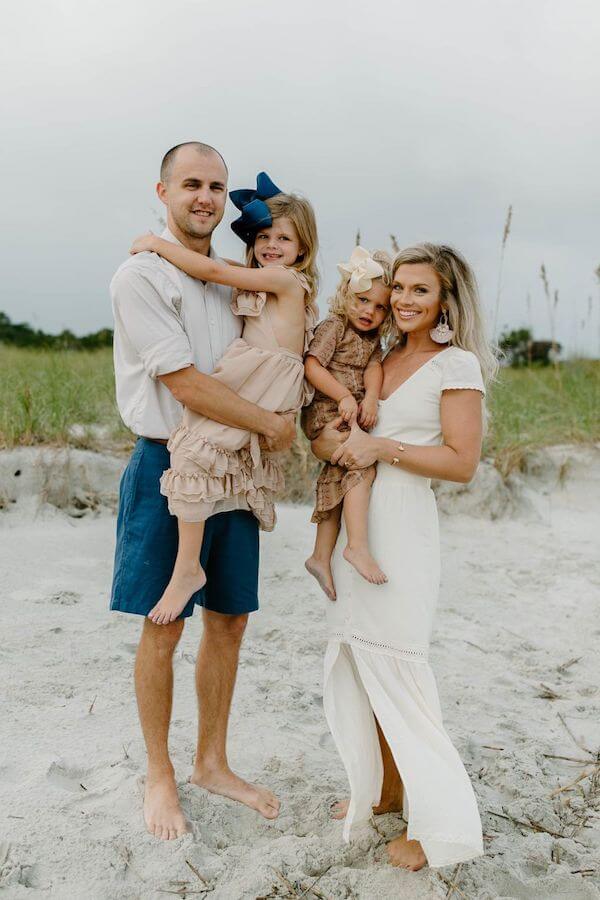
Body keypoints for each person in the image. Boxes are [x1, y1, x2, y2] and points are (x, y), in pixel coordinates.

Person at [110, 143, 296, 841]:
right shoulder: (142, 275)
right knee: (165, 625)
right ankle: (160, 776)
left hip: (236, 471)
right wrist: (273, 427)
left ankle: (212, 761)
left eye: (217, 186)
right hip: (170, 465)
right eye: (192, 184)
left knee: (230, 619)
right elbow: (184, 383)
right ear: (161, 190)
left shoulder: (238, 275)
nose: (206, 197)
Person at [311, 243, 497, 871]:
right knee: (365, 664)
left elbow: (462, 462)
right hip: (361, 520)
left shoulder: (456, 364)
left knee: (400, 666)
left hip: (405, 524)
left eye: (421, 289)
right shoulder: (382, 359)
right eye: (399, 287)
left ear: (445, 299)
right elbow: (348, 437)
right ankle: (385, 792)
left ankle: (436, 824)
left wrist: (378, 447)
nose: (404, 299)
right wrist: (338, 445)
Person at [128, 171, 319, 625]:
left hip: (263, 379)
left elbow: (212, 270)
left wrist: (157, 244)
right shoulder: (262, 280)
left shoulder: (286, 281)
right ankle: (190, 566)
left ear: (302, 249)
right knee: (208, 456)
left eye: (284, 238)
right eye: (263, 236)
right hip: (255, 374)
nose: (271, 245)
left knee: (195, 449)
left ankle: (188, 568)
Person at [302, 247, 393, 601]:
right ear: (346, 295)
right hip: (328, 411)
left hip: (350, 412)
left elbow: (374, 370)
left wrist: (370, 399)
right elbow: (312, 365)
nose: (369, 311)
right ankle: (356, 546)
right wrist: (343, 396)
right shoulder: (334, 326)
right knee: (361, 469)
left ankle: (320, 557)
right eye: (362, 300)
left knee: (336, 477)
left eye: (380, 306)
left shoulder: (373, 341)